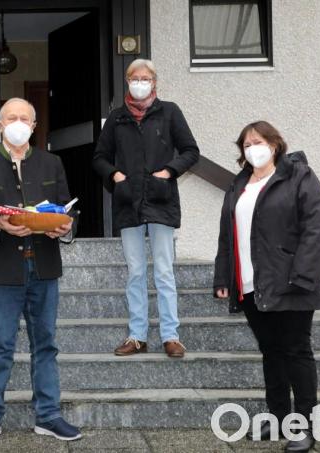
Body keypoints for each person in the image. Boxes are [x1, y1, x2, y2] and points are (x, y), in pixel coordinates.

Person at [0, 98, 82, 445]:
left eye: (24, 118)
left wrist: (65, 227)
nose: (18, 123)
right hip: (1, 269)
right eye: (11, 117)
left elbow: (68, 209)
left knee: (46, 344)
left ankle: (49, 415)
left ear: (34, 126)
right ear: (0, 125)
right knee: (0, 345)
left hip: (43, 266)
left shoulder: (52, 163)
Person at [213, 121, 320, 452]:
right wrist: (223, 277)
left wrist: (302, 275)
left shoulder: (299, 176)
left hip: (291, 283)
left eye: (259, 141)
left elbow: (317, 227)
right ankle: (278, 417)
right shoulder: (239, 184)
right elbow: (227, 236)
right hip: (252, 284)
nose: (253, 149)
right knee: (271, 351)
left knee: (296, 351)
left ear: (275, 145)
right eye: (247, 144)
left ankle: (305, 427)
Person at [92, 59, 200, 358]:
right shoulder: (117, 118)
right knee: (136, 272)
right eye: (135, 78)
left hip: (160, 200)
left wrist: (168, 172)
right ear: (127, 81)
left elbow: (191, 151)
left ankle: (171, 336)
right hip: (129, 202)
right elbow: (99, 157)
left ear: (154, 82)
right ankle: (137, 336)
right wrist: (116, 175)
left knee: (164, 271)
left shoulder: (170, 112)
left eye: (145, 78)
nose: (140, 82)